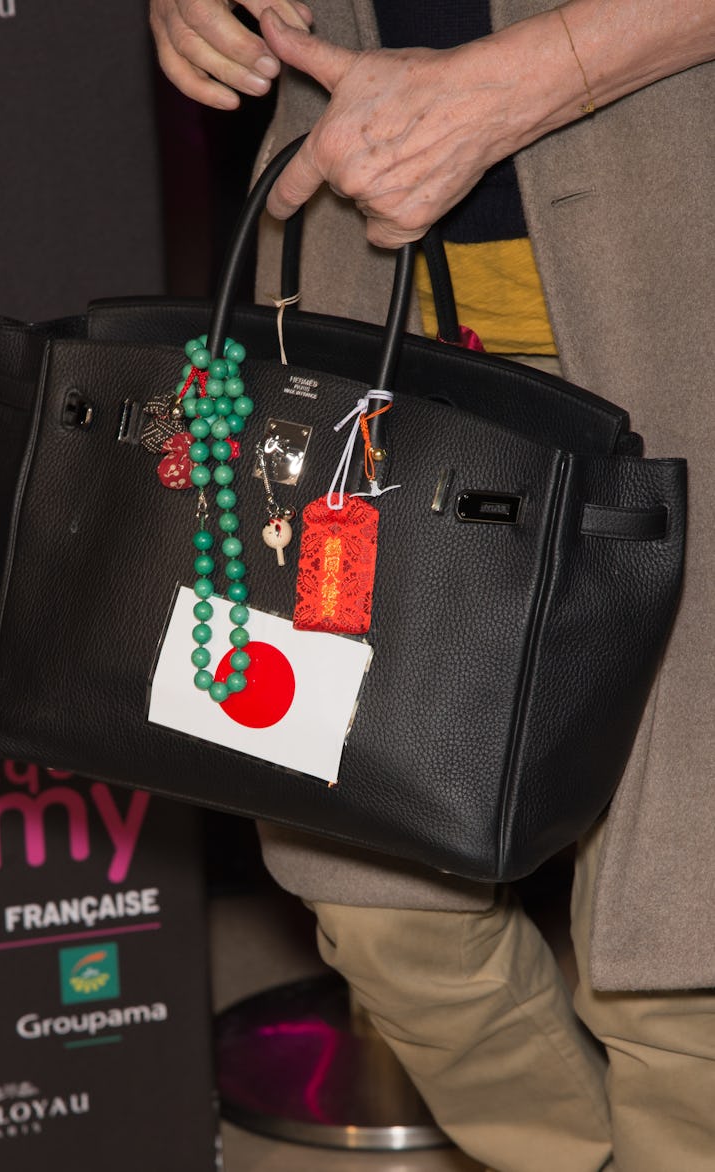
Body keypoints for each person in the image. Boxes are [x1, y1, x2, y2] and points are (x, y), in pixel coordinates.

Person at [150, 2, 715, 1169]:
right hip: (365, 305)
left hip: (679, 291)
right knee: (379, 904)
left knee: (684, 950)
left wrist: (524, 82)